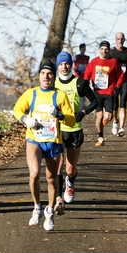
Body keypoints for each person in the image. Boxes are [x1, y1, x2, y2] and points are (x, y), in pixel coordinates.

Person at [13, 59, 76, 231]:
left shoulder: (60, 95)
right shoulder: (31, 93)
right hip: (34, 139)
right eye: (43, 73)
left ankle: (50, 212)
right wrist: (26, 119)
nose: (46, 76)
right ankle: (37, 207)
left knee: (51, 178)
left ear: (53, 76)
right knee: (34, 174)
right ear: (39, 76)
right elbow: (17, 109)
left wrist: (60, 115)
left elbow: (71, 121)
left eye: (49, 73)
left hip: (53, 141)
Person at [53, 51, 98, 214]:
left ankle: (70, 182)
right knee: (57, 165)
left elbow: (95, 101)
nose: (64, 67)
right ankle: (58, 199)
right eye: (61, 64)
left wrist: (84, 113)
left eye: (66, 63)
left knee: (70, 169)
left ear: (71, 64)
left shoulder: (79, 83)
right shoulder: (53, 84)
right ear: (58, 66)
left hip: (75, 130)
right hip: (57, 130)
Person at [84, 40, 124, 146]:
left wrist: (118, 86)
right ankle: (100, 136)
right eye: (102, 49)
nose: (104, 51)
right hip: (97, 92)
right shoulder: (93, 62)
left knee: (108, 117)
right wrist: (85, 83)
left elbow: (121, 75)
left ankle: (105, 124)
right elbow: (87, 74)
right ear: (99, 50)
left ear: (109, 50)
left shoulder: (113, 62)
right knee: (100, 116)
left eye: (106, 49)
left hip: (109, 92)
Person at [109, 32, 127, 137]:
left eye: (122, 39)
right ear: (115, 39)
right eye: (118, 39)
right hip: (114, 82)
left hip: (124, 81)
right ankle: (115, 122)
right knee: (115, 105)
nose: (120, 41)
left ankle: (121, 127)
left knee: (123, 103)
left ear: (124, 39)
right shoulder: (111, 52)